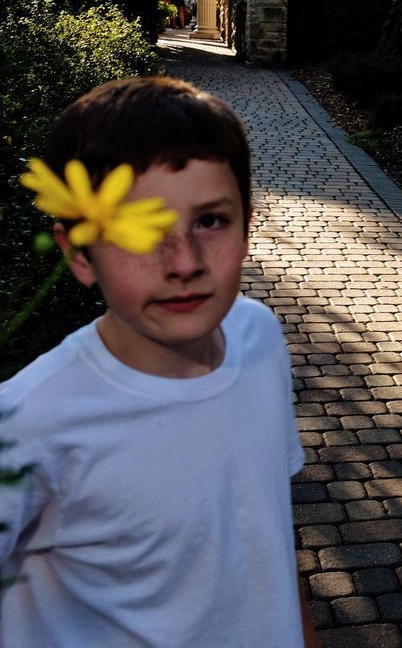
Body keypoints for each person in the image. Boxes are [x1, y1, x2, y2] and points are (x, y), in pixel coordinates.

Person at [0, 78, 320, 647]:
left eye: (211, 221)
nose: (184, 262)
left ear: (248, 224)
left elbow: (268, 538)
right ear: (78, 254)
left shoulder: (260, 336)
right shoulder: (29, 423)